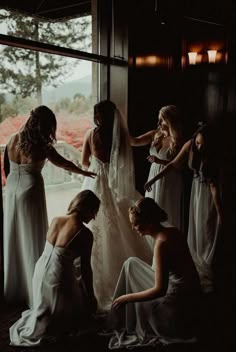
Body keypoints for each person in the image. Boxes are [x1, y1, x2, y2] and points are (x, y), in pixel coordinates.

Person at [3, 105, 96, 307]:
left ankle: (14, 288)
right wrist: (84, 173)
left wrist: (13, 182)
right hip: (30, 190)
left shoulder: (12, 139)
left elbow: (6, 167)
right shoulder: (41, 145)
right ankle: (32, 288)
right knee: (32, 236)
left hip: (11, 190)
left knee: (14, 237)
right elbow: (64, 163)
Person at [81, 100, 152, 311]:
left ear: (96, 116)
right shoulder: (119, 136)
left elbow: (84, 162)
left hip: (95, 181)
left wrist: (94, 165)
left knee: (94, 225)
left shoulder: (90, 134)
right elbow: (124, 160)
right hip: (114, 185)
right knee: (118, 225)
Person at [9, 190, 100, 347]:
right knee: (77, 316)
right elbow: (86, 270)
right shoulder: (85, 233)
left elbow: (56, 253)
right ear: (87, 209)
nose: (94, 217)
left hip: (39, 273)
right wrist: (91, 298)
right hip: (58, 280)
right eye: (94, 212)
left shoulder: (56, 219)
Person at [108, 197, 202, 349]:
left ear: (149, 223)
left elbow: (160, 290)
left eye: (136, 224)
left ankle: (121, 318)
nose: (133, 228)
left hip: (177, 303)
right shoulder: (172, 231)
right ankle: (120, 318)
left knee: (131, 269)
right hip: (191, 293)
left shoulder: (162, 243)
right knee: (131, 263)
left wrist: (127, 298)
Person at [145, 124, 222, 292]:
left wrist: (219, 211)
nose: (200, 147)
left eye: (203, 145)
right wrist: (153, 179)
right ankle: (196, 264)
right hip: (196, 192)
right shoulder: (190, 145)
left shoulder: (211, 157)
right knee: (195, 229)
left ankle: (207, 266)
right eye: (199, 143)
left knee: (207, 229)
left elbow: (215, 188)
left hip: (209, 196)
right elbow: (173, 164)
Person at [130, 105, 184, 231]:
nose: (158, 122)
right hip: (153, 176)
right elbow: (134, 141)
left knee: (167, 210)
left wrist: (160, 161)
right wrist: (119, 127)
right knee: (150, 211)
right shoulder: (155, 134)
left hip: (171, 180)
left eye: (162, 119)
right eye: (158, 119)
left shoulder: (178, 140)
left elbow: (179, 166)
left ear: (171, 121)